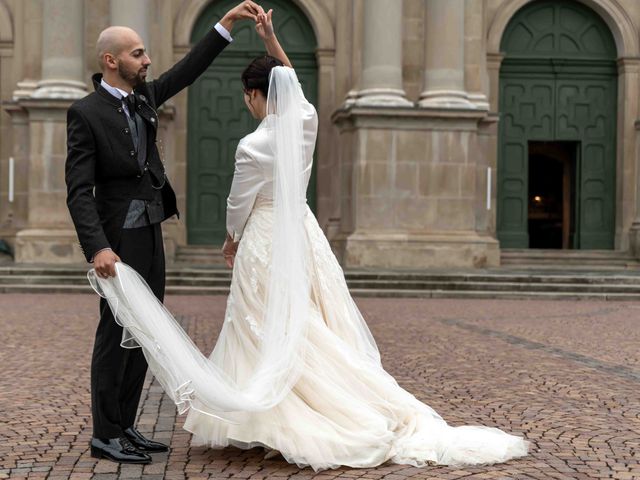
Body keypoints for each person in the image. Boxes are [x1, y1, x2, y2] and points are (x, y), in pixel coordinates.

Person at [90, 10, 529, 471]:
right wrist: (271, 38)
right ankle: (131, 426)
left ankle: (265, 419)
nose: (246, 102)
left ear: (255, 94)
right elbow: (290, 84)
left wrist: (230, 239)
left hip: (263, 238)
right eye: (137, 52)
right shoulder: (306, 119)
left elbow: (238, 205)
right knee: (309, 319)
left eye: (247, 95)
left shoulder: (253, 145)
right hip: (301, 233)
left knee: (260, 323)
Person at [65, 0, 265, 464]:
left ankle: (127, 425)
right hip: (118, 240)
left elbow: (187, 71)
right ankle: (105, 433)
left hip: (151, 229)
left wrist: (227, 23)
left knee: (146, 331)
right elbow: (78, 190)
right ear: (111, 61)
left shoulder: (144, 98)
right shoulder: (86, 113)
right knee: (115, 332)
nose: (147, 60)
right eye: (137, 54)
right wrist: (97, 246)